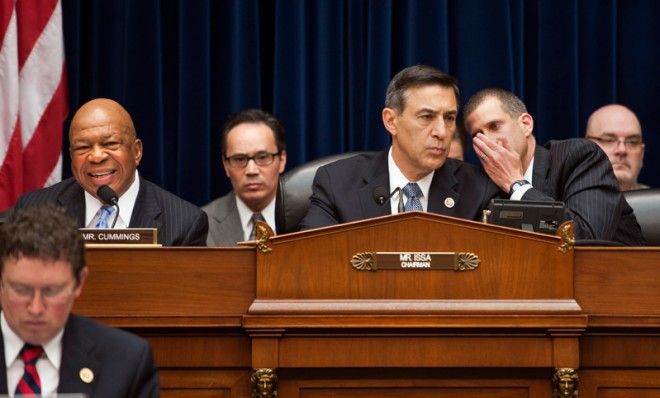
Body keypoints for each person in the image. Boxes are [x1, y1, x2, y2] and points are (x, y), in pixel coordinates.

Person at [300, 65, 498, 229]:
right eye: (426, 117)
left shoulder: (480, 189)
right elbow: (314, 260)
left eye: (449, 118)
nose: (442, 131)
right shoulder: (337, 183)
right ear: (391, 121)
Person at [0, 203, 159, 397]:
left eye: (52, 291)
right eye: (21, 290)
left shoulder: (126, 361)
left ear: (79, 283)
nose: (36, 308)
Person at [14, 98, 208, 246]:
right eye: (83, 147)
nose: (96, 156)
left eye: (110, 144)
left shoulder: (184, 223)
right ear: (71, 155)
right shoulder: (34, 210)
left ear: (137, 151)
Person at [463, 88, 644, 245]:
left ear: (526, 124)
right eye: (478, 135)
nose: (488, 140)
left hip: (622, 278)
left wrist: (517, 184)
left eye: (495, 126)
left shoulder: (579, 156)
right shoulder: (486, 186)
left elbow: (584, 238)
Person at [203, 109, 287, 246]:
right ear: (225, 165)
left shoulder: (309, 218)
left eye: (263, 157)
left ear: (282, 160)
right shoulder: (203, 225)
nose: (251, 170)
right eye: (239, 159)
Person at [585, 104, 648, 191]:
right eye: (609, 140)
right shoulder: (566, 202)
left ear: (642, 154)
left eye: (632, 142)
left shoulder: (656, 203)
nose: (622, 150)